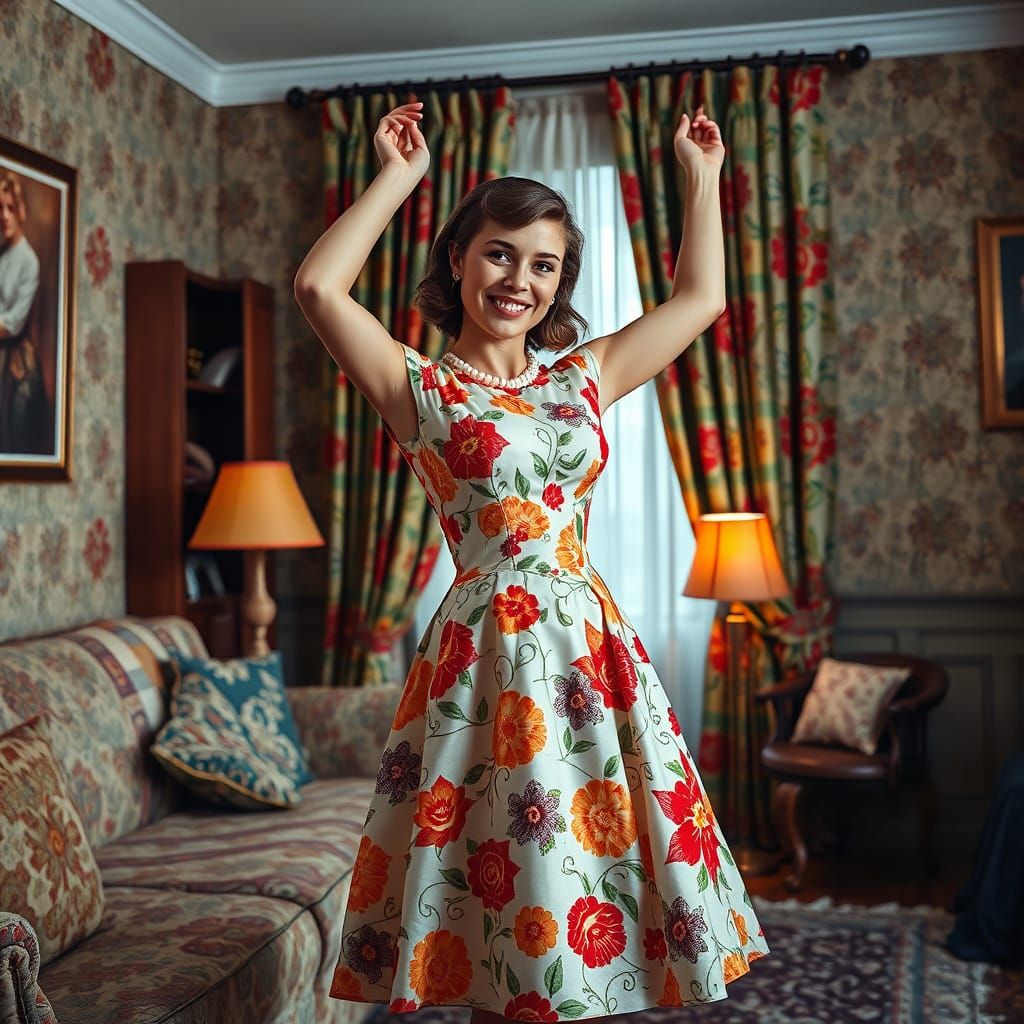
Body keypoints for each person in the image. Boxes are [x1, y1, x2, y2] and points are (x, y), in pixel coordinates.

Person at [295, 98, 769, 1022]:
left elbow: (701, 300)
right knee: (504, 901)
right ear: (460, 261)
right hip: (484, 666)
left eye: (543, 264)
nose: (520, 279)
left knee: (590, 891)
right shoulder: (417, 386)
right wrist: (399, 176)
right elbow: (319, 289)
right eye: (500, 253)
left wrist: (701, 177)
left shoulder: (584, 376)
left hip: (590, 657)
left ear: (560, 282)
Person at [0, 168, 49, 455]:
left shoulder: (28, 261)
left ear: (20, 211)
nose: (4, 216)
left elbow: (14, 322)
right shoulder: (2, 255)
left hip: (15, 355)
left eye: (9, 208)